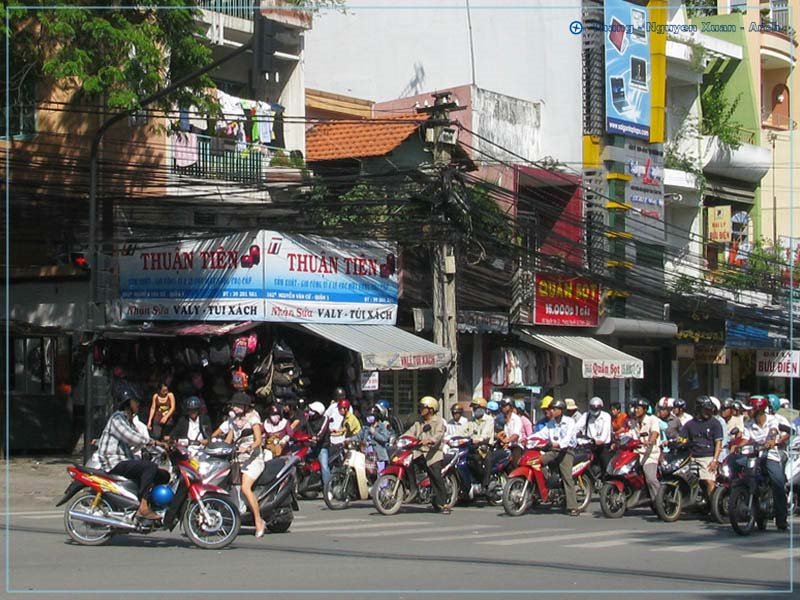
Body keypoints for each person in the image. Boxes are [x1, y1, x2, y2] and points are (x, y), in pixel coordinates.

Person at [90, 389, 164, 520]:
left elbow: (141, 443)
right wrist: (154, 442)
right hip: (114, 462)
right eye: (136, 402)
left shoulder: (129, 422)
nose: (138, 405)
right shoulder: (117, 418)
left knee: (162, 474)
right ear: (128, 402)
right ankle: (143, 507)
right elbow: (132, 438)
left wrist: (164, 450)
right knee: (149, 467)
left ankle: (151, 504)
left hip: (124, 460)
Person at [212, 391, 266, 537]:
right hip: (236, 460)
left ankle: (258, 521)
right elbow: (229, 439)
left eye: (237, 405)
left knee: (245, 487)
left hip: (253, 460)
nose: (234, 408)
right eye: (233, 405)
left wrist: (248, 448)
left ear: (245, 406)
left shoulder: (253, 418)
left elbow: (258, 440)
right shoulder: (232, 420)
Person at [742, 395, 790, 530]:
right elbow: (745, 439)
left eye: (750, 409)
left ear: (759, 409)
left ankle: (781, 520)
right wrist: (735, 445)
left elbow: (773, 431)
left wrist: (771, 440)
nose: (747, 412)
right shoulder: (748, 423)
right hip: (753, 456)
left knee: (778, 484)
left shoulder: (773, 420)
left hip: (770, 456)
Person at [403, 396, 450, 514]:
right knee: (408, 465)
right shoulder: (419, 422)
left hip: (433, 453)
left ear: (431, 409)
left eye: (423, 408)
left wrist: (430, 440)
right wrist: (400, 439)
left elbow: (438, 435)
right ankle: (413, 490)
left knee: (436, 476)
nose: (421, 410)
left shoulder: (438, 421)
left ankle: (444, 504)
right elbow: (410, 433)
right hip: (420, 452)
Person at [538, 398, 580, 516]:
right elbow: (542, 434)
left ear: (560, 410)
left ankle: (573, 507)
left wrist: (559, 444)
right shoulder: (551, 423)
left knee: (567, 477)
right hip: (553, 450)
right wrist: (528, 439)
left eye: (554, 409)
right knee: (537, 462)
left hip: (566, 451)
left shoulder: (569, 422)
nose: (551, 411)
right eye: (550, 409)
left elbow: (567, 438)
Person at [678, 397, 723, 500]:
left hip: (708, 456)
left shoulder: (715, 423)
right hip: (691, 457)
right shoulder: (690, 424)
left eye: (710, 409)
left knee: (709, 481)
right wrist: (673, 442)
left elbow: (718, 443)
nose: (708, 412)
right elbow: (681, 439)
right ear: (698, 409)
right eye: (706, 409)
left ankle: (712, 505)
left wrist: (715, 460)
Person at [630, 398, 661, 502]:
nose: (635, 410)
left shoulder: (652, 419)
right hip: (636, 454)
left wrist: (650, 441)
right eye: (634, 408)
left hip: (650, 455)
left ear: (644, 409)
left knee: (651, 479)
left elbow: (655, 433)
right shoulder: (633, 422)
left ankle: (659, 500)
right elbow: (629, 435)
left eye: (638, 408)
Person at [464, 397, 495, 494]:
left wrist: (479, 439)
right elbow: (463, 431)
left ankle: (485, 484)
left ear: (483, 408)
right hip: (472, 447)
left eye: (476, 408)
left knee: (485, 459)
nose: (474, 410)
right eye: (473, 408)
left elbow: (486, 434)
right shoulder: (471, 420)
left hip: (485, 447)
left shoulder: (489, 420)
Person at [575, 397, 612, 471]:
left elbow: (604, 434)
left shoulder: (606, 416)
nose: (595, 411)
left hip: (602, 446)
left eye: (596, 409)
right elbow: (576, 427)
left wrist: (600, 441)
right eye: (593, 408)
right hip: (589, 446)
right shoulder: (586, 415)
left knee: (606, 467)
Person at [358, 404, 392, 473]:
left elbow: (385, 438)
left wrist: (374, 433)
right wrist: (349, 439)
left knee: (381, 477)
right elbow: (358, 436)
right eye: (368, 416)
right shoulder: (366, 427)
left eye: (371, 416)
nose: (369, 418)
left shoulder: (382, 426)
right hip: (368, 456)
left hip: (379, 456)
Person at [497, 397, 524, 467]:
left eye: (504, 405)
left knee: (515, 464)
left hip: (515, 446)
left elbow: (516, 435)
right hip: (503, 446)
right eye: (501, 405)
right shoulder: (499, 419)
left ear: (511, 406)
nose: (502, 407)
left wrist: (507, 440)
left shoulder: (516, 419)